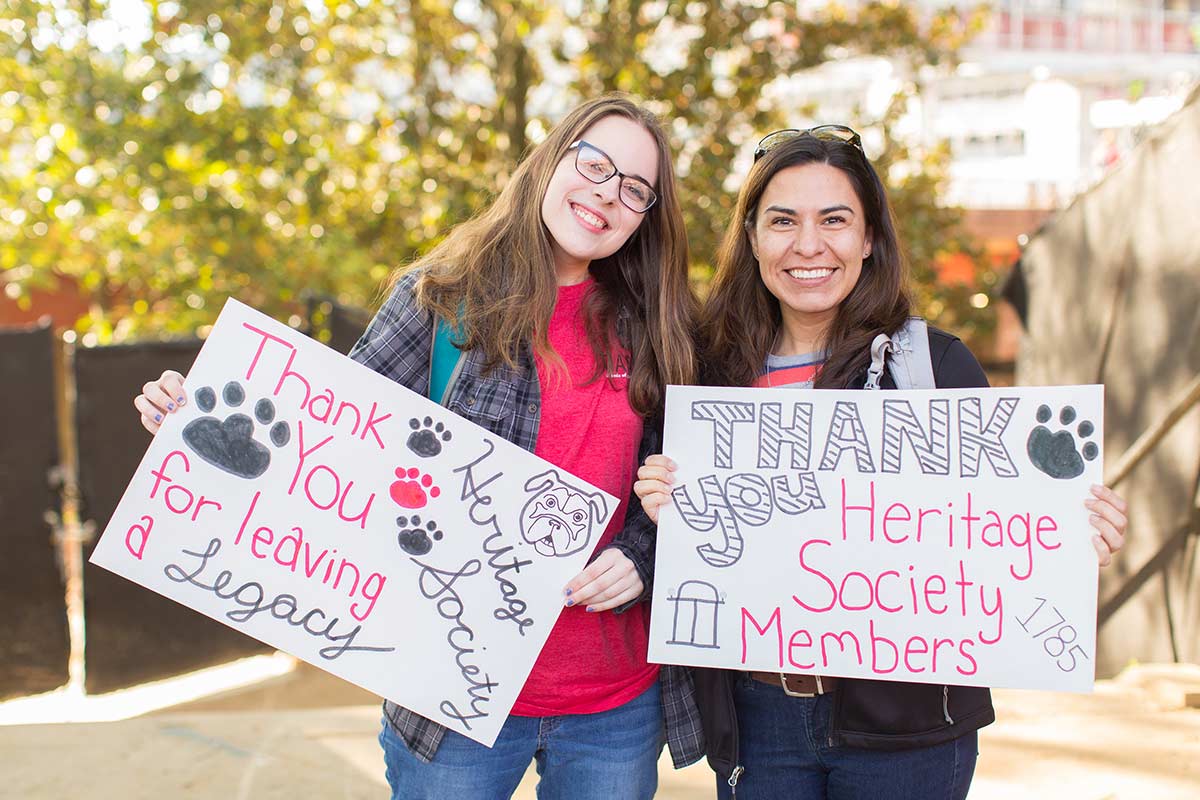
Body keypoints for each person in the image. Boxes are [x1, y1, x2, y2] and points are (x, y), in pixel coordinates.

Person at [133, 94, 706, 799]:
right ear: (551, 161)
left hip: (612, 703)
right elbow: (325, 445)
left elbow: (677, 487)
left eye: (634, 189)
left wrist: (641, 557)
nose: (606, 194)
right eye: (594, 163)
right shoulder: (440, 299)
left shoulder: (659, 329)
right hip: (448, 690)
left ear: (647, 217)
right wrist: (190, 425)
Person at [632, 126, 1129, 800]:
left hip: (908, 728)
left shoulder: (935, 366)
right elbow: (693, 551)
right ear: (752, 239)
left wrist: (1068, 536)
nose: (809, 245)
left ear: (869, 239)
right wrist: (668, 504)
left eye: (835, 220)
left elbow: (995, 537)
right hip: (758, 718)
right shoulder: (706, 376)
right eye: (783, 221)